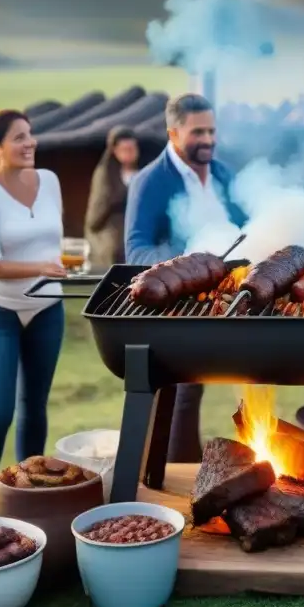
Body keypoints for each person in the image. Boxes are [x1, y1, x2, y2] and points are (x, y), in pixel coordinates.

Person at [124, 93, 246, 463]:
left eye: (211, 130)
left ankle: (187, 468)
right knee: (181, 391)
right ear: (173, 133)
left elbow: (248, 228)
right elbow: (136, 249)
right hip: (178, 305)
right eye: (197, 132)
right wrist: (184, 266)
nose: (207, 139)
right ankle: (176, 473)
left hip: (223, 302)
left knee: (212, 388)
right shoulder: (150, 181)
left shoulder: (224, 174)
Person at [0, 110, 66, 516]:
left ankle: (27, 497)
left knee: (34, 406)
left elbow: (55, 246)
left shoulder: (50, 182)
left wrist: (56, 267)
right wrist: (40, 267)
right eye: (19, 137)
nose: (30, 143)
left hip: (46, 309)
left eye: (31, 134)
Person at [85, 127, 139, 269]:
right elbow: (96, 215)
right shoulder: (105, 175)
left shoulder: (144, 173)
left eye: (132, 148)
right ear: (115, 150)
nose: (130, 153)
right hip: (112, 229)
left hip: (139, 229)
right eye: (125, 149)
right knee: (117, 249)